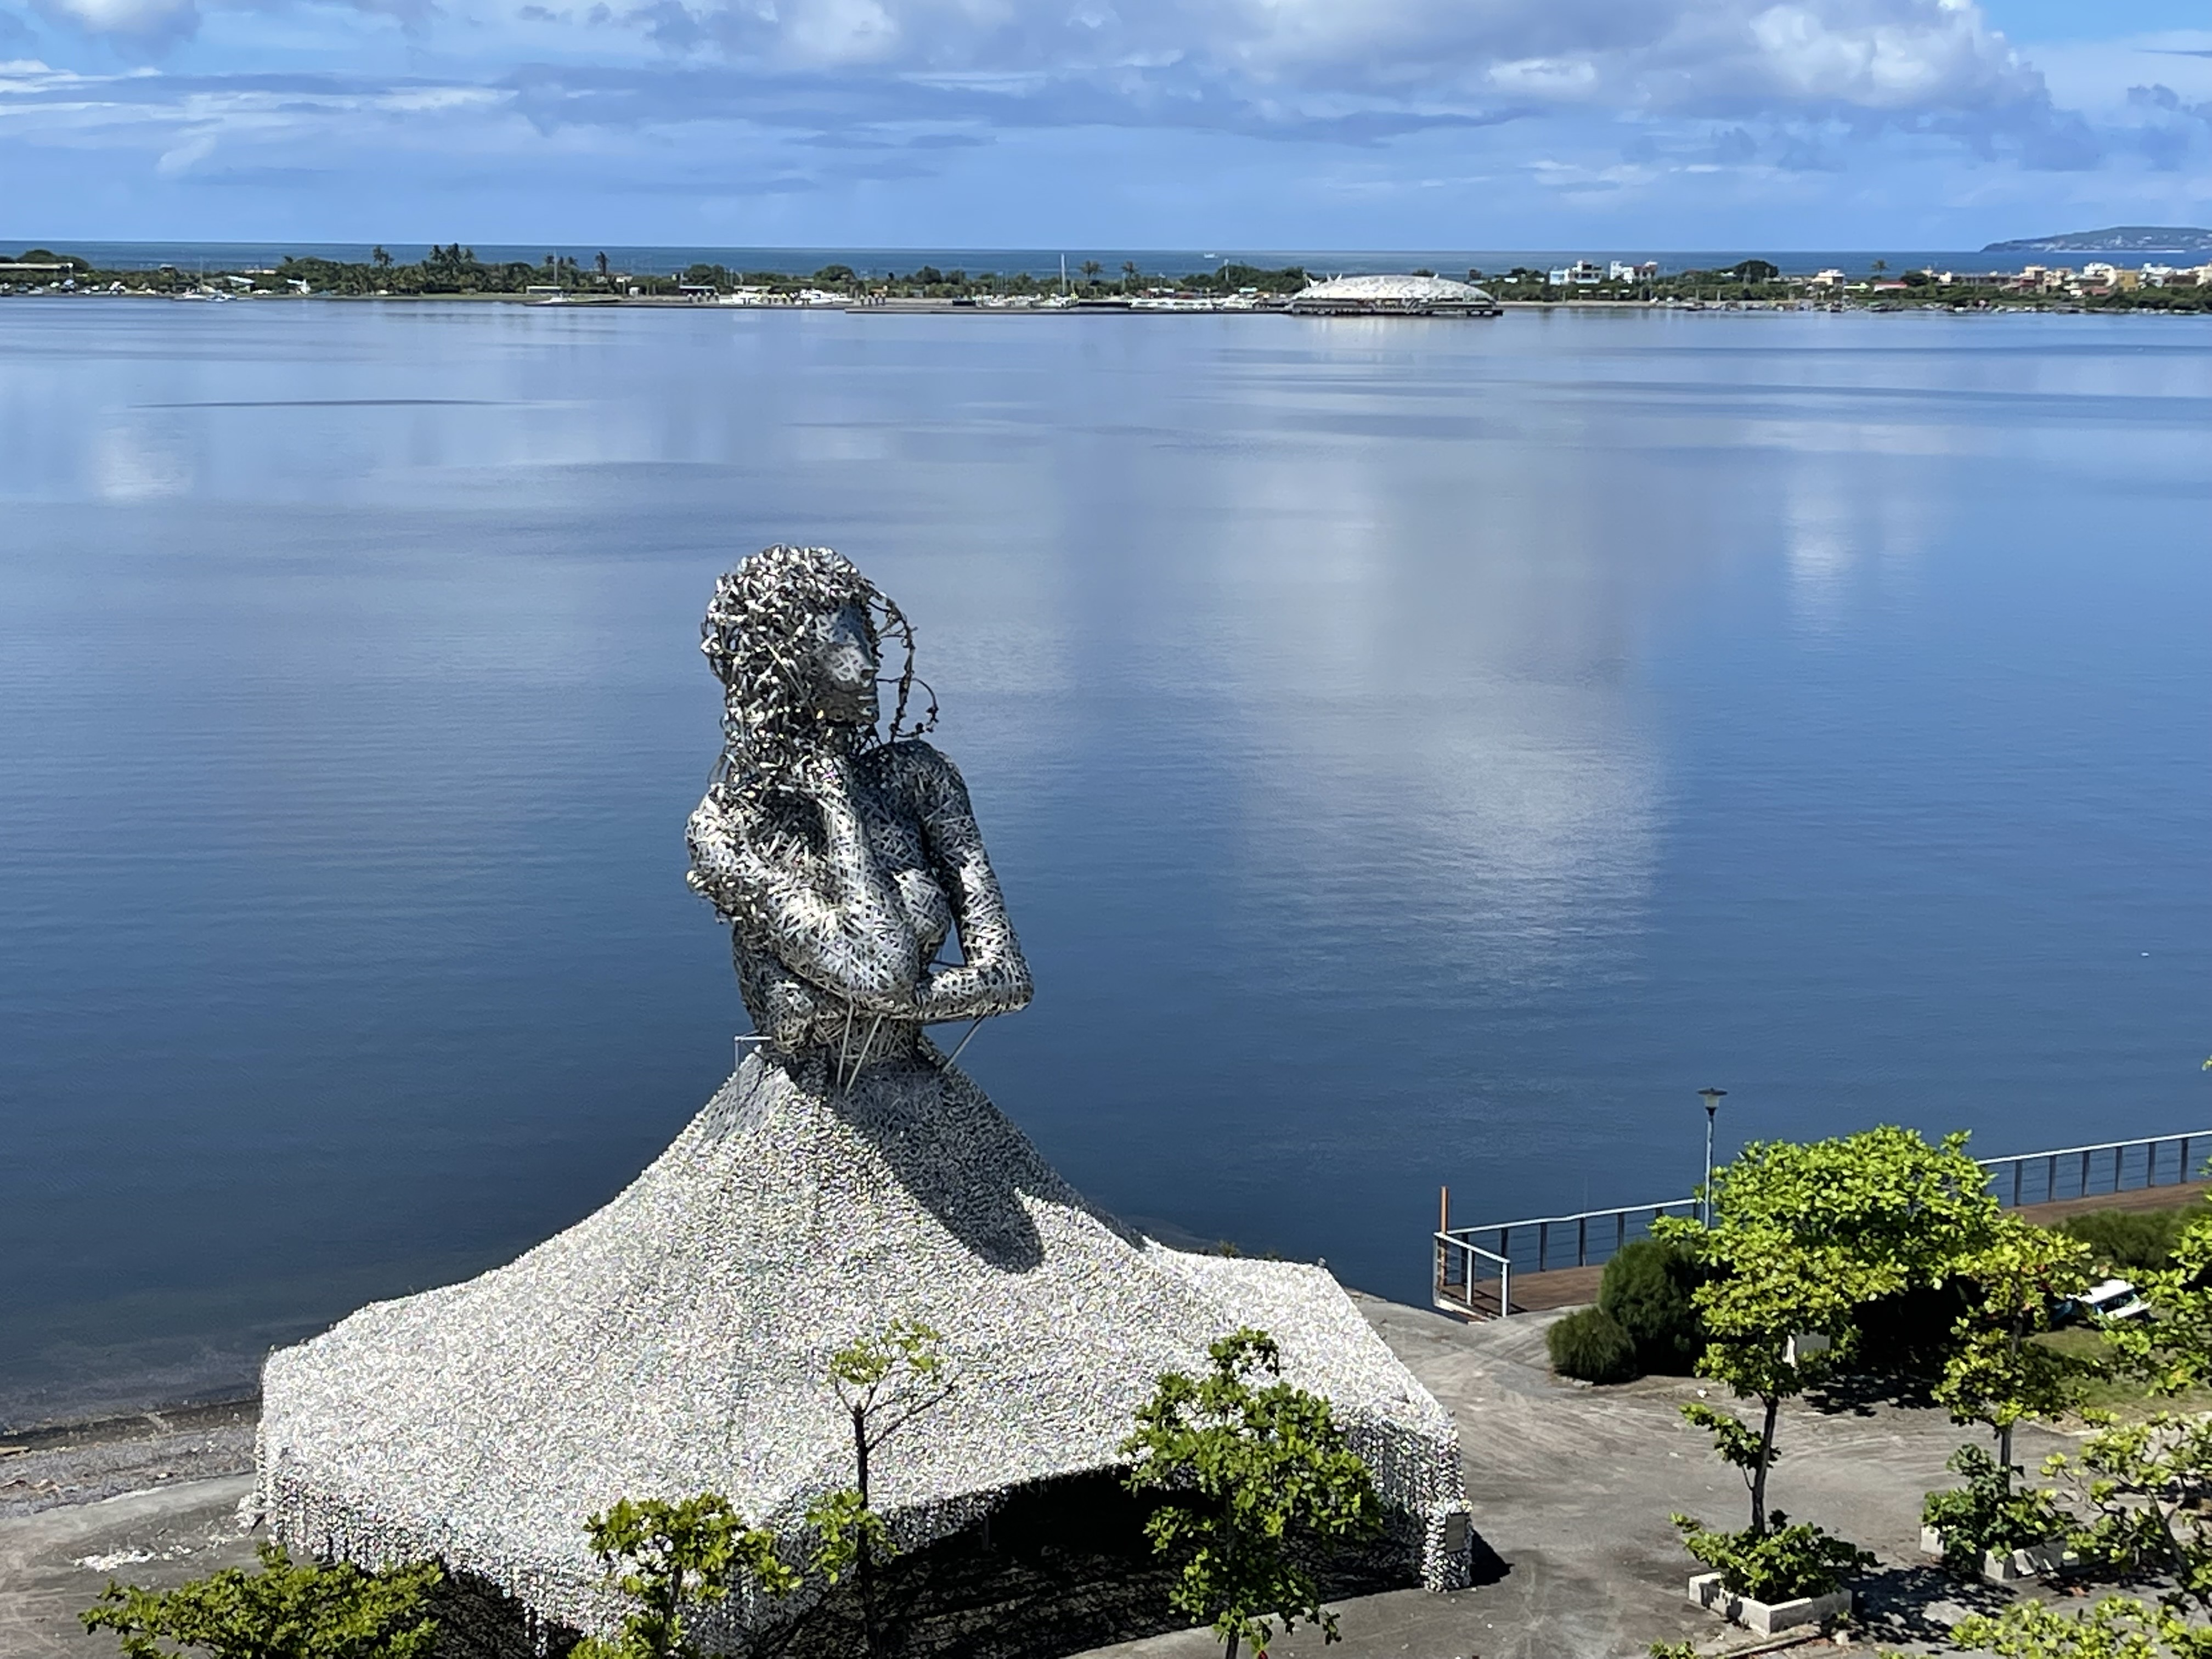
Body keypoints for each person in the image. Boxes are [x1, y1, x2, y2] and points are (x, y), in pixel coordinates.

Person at [686, 545, 1031, 1081]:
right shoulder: (726, 832)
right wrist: (837, 802)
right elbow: (885, 970)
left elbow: (1009, 978)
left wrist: (868, 1006)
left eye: (864, 641)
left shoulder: (918, 778)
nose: (867, 666)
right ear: (784, 675)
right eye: (838, 652)